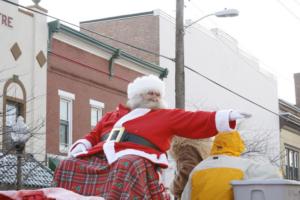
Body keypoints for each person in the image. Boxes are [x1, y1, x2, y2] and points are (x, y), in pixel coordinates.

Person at [52, 75, 249, 199]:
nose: (155, 97)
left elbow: (194, 119)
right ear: (137, 96)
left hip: (139, 158)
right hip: (102, 155)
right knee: (68, 164)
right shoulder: (112, 115)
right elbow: (93, 135)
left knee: (127, 164)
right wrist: (82, 144)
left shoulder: (164, 116)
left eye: (157, 94)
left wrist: (227, 115)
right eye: (150, 94)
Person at [181, 131, 282, 200]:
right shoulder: (243, 166)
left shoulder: (198, 168)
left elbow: (186, 197)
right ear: (237, 145)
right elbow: (275, 176)